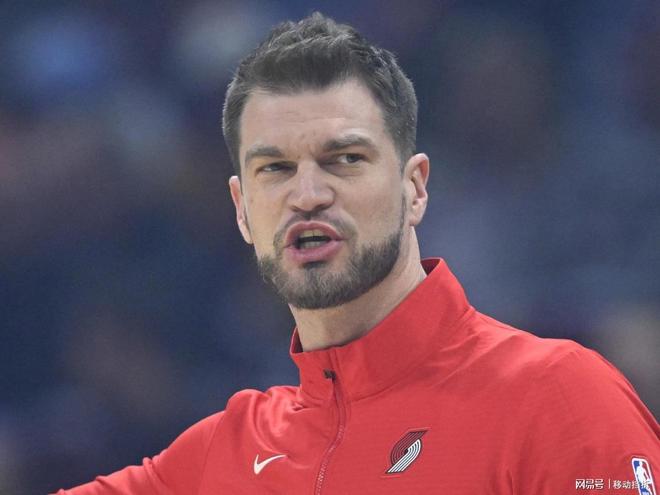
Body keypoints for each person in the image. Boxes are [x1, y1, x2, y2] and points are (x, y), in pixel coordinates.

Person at [55, 12, 659, 494]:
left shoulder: (557, 396)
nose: (308, 195)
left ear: (414, 188)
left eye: (345, 159)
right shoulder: (224, 452)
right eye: (275, 168)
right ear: (241, 210)